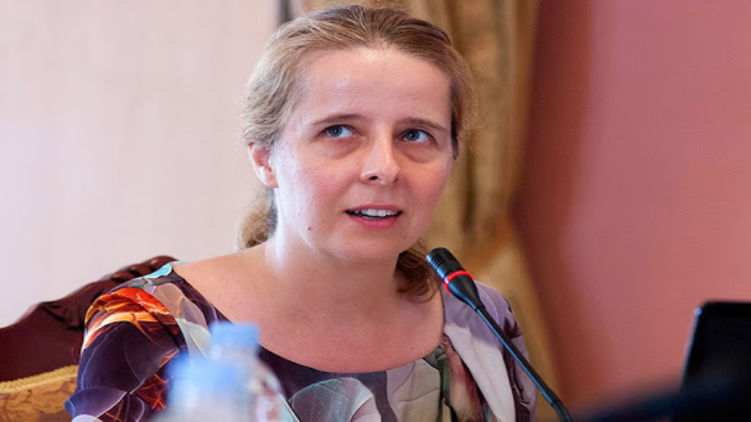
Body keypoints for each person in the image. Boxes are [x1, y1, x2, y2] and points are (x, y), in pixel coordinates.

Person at [66, 5, 537, 422]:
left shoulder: (480, 320)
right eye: (339, 131)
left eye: (415, 135)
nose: (385, 168)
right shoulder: (150, 326)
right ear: (264, 158)